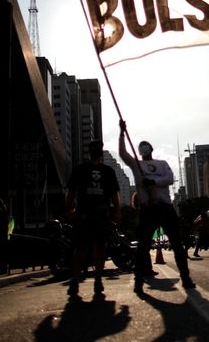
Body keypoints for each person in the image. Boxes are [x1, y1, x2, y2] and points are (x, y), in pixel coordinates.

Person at [119, 120, 195, 295]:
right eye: (141, 146)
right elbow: (123, 153)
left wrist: (153, 181)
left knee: (177, 244)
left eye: (146, 145)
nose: (144, 147)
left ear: (151, 149)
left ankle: (186, 278)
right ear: (139, 151)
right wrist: (122, 133)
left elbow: (169, 178)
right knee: (143, 247)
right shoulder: (136, 165)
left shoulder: (162, 164)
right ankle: (138, 282)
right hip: (147, 209)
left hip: (166, 207)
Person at [65, 139, 121, 297]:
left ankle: (89, 279)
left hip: (95, 214)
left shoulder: (104, 171)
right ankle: (82, 280)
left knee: (92, 248)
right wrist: (69, 208)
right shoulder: (86, 169)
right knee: (91, 248)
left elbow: (113, 194)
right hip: (87, 213)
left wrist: (117, 211)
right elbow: (71, 191)